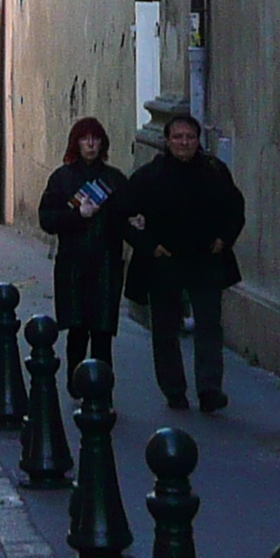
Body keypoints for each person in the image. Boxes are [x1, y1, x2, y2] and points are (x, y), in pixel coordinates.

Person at [109, 111, 246, 411]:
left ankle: (210, 389)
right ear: (167, 142)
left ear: (198, 140)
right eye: (178, 137)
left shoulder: (214, 171)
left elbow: (235, 207)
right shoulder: (149, 176)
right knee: (165, 328)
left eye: (190, 137)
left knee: (209, 326)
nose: (184, 143)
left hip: (205, 260)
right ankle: (174, 389)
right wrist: (150, 246)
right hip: (165, 263)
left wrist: (225, 238)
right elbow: (121, 215)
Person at [36, 117, 128, 387]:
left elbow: (127, 213)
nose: (90, 144)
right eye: (85, 139)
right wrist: (76, 215)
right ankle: (77, 385)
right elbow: (47, 218)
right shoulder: (62, 178)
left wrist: (136, 220)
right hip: (73, 265)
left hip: (106, 265)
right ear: (76, 142)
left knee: (102, 333)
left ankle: (102, 391)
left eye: (96, 138)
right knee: (77, 331)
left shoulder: (113, 179)